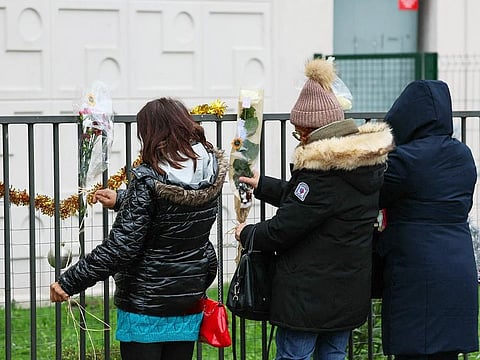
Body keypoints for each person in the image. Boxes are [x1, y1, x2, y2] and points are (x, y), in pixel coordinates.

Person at [234, 58, 394, 360]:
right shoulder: (362, 166)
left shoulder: (322, 174)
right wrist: (263, 184)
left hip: (309, 296)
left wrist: (247, 233)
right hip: (347, 290)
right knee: (333, 354)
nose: (298, 138)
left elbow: (285, 228)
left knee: (296, 355)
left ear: (312, 131)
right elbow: (309, 203)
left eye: (299, 133)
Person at [50, 97, 228, 360]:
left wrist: (69, 281)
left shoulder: (148, 178)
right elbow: (175, 214)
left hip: (146, 304)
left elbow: (121, 248)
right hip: (187, 298)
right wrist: (123, 199)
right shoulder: (209, 171)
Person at [376, 80, 479, 360]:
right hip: (458, 270)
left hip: (417, 275)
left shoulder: (405, 160)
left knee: (415, 352)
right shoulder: (463, 155)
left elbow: (373, 196)